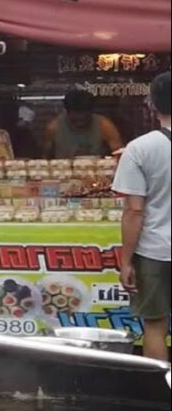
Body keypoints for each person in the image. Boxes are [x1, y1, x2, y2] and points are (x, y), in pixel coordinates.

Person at [112, 72, 171, 361]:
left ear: (152, 105)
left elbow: (135, 210)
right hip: (156, 249)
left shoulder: (139, 149)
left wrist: (126, 260)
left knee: (155, 326)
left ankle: (161, 395)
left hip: (155, 251)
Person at [43, 90, 124, 158]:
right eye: (75, 119)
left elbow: (119, 155)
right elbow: (45, 157)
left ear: (91, 111)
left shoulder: (104, 126)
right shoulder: (54, 128)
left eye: (85, 118)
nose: (80, 122)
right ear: (67, 112)